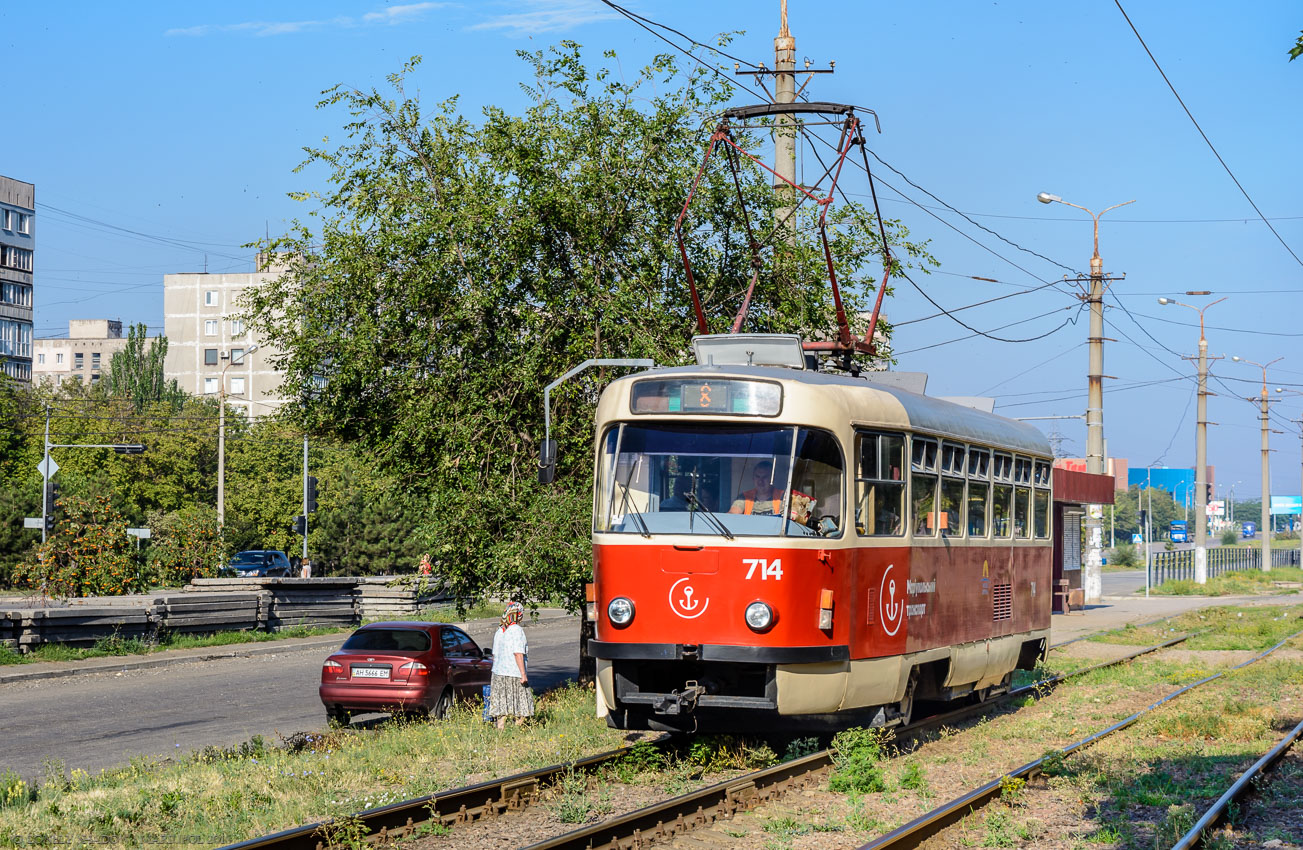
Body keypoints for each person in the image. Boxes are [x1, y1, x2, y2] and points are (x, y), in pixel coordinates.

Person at [489, 601, 533, 728]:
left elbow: (494, 654)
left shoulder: (500, 631)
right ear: (518, 615)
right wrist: (523, 674)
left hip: (498, 673)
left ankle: (500, 731)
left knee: (501, 706)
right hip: (514, 673)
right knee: (522, 705)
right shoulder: (516, 630)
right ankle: (516, 729)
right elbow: (518, 653)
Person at [729, 461, 817, 523]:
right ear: (753, 478)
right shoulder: (744, 497)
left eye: (764, 477)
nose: (760, 481)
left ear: (772, 478)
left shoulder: (784, 497)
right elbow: (732, 515)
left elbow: (800, 520)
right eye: (757, 477)